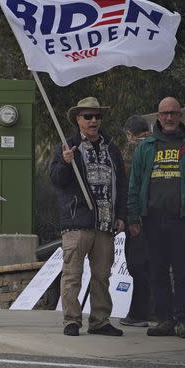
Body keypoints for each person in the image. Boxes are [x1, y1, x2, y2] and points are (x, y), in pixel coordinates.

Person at [128, 96, 185, 339]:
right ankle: (163, 319)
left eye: (173, 113)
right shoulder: (146, 146)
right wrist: (133, 216)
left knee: (183, 272)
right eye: (164, 113)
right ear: (158, 116)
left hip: (183, 219)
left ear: (181, 115)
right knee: (157, 271)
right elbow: (134, 183)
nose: (169, 117)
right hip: (152, 220)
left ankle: (183, 321)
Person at [50, 97, 127, 337]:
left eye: (97, 116)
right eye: (88, 116)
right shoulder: (66, 146)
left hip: (105, 223)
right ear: (78, 120)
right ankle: (71, 320)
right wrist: (64, 163)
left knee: (102, 275)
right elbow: (55, 179)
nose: (94, 121)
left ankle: (100, 320)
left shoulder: (111, 147)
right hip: (77, 223)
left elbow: (122, 185)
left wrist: (121, 215)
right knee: (72, 274)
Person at [119, 115, 152, 327]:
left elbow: (128, 185)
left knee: (137, 266)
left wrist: (129, 217)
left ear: (130, 135)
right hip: (159, 215)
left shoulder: (134, 150)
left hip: (138, 218)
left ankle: (139, 313)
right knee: (153, 266)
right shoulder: (158, 146)